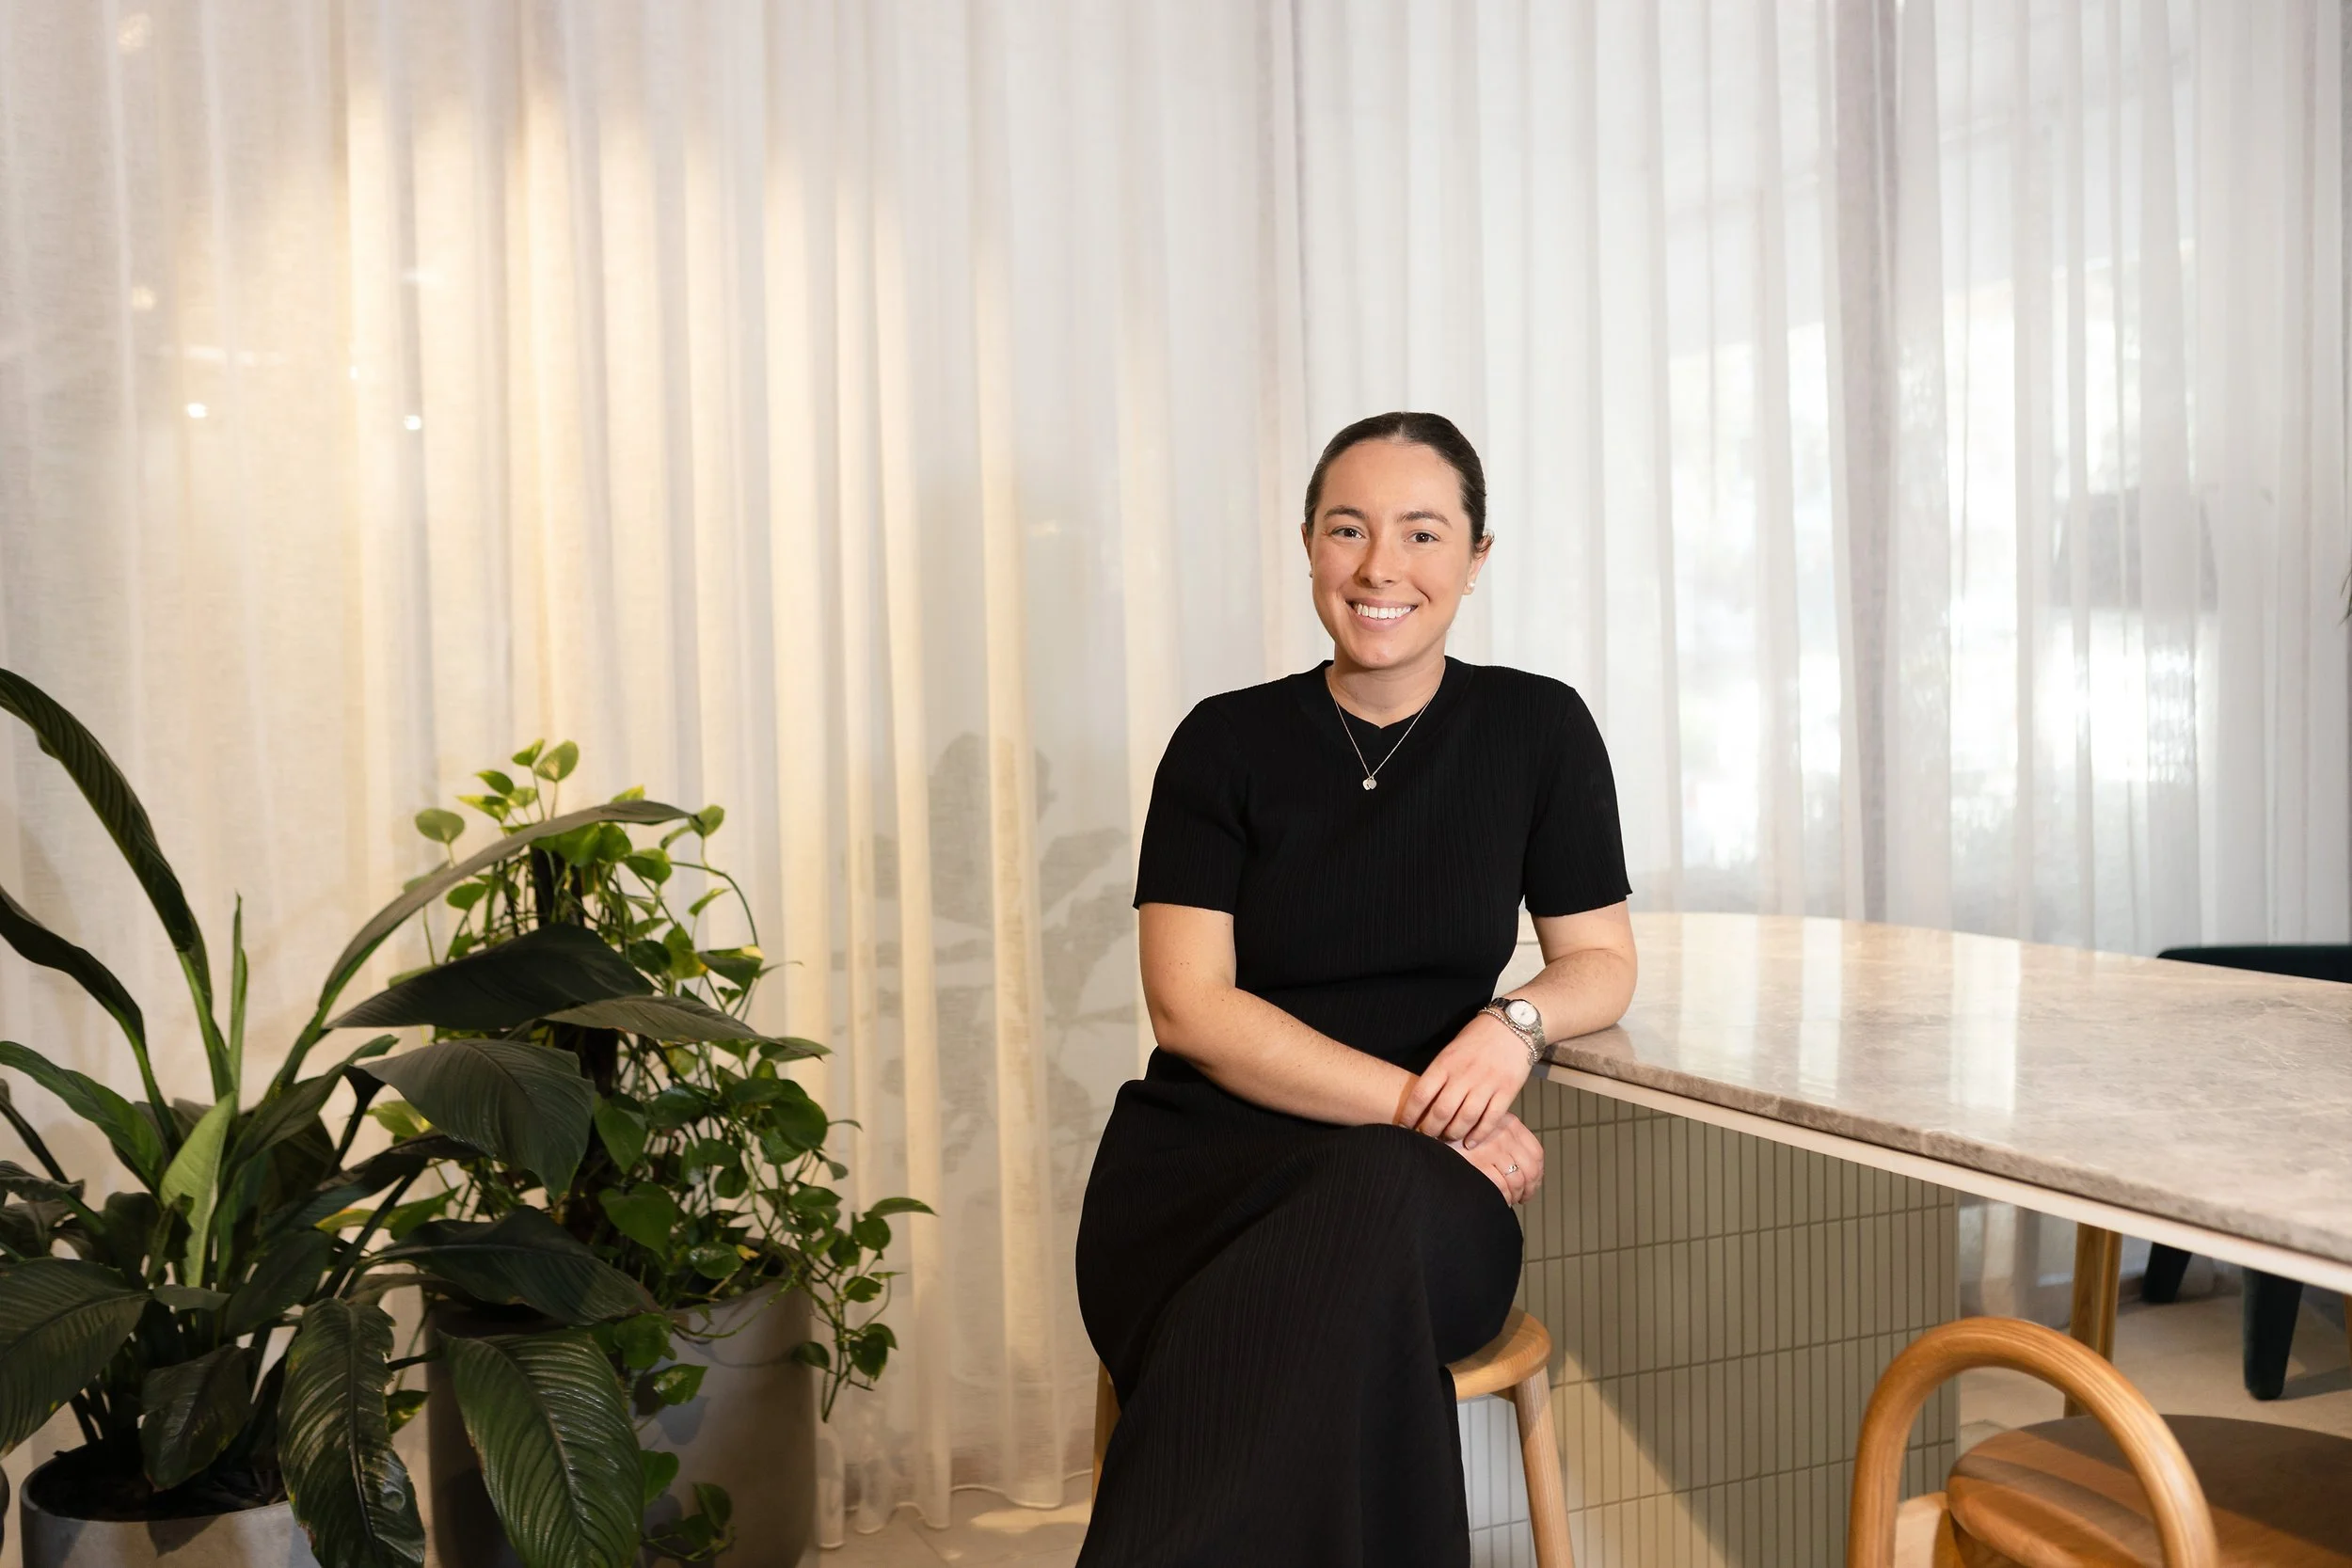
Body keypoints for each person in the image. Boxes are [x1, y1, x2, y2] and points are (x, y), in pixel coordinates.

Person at [1075, 412, 1638, 1566]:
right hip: (1200, 1176)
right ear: (1308, 545)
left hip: (1422, 1198)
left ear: (1477, 556)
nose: (1382, 566)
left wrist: (1510, 1024)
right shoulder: (1221, 742)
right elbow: (1191, 1010)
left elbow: (1602, 960)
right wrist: (1424, 1113)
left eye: (1423, 532)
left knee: (1367, 1216)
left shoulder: (1537, 727)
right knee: (1344, 1261)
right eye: (1349, 529)